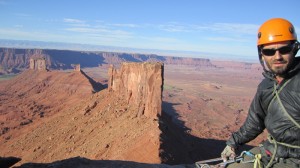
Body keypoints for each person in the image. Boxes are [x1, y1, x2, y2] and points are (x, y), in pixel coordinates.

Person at [221, 18, 300, 168]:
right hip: (271, 152)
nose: (277, 56)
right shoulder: (266, 86)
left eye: (284, 49)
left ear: (294, 49)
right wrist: (232, 143)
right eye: (269, 51)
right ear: (262, 54)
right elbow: (254, 122)